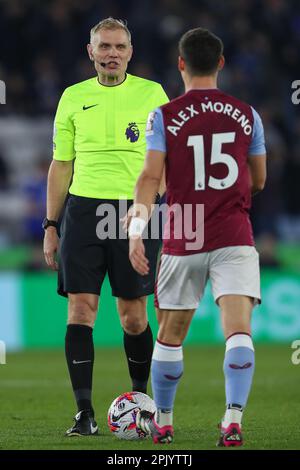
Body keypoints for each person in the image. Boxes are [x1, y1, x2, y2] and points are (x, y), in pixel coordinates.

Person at [129, 27, 266, 446]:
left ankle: (165, 422)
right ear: (221, 63)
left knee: (170, 334)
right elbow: (258, 179)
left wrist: (137, 230)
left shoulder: (164, 115)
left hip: (183, 233)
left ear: (181, 64)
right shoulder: (248, 114)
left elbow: (151, 176)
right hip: (234, 234)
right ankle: (232, 418)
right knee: (238, 331)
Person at [43, 17, 168, 436]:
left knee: (133, 316)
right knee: (80, 309)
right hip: (83, 210)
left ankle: (140, 401)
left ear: (130, 52)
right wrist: (50, 224)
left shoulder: (152, 94)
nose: (112, 53)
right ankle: (84, 413)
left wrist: (149, 208)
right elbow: (61, 165)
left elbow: (166, 161)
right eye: (104, 47)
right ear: (91, 52)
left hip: (134, 211)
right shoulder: (73, 97)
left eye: (119, 47)